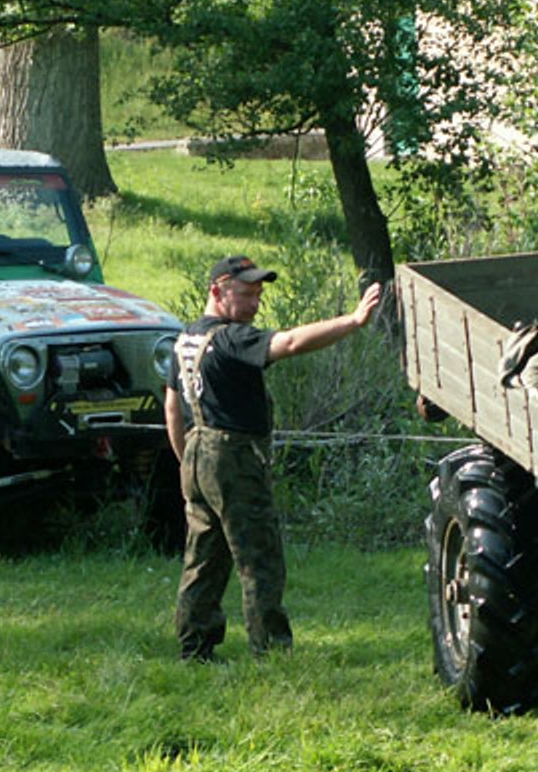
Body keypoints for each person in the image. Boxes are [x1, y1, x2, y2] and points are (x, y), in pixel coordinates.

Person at [164, 255, 382, 662]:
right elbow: (292, 342)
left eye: (259, 294)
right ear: (217, 290)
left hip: (196, 451)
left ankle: (194, 648)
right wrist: (352, 322)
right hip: (233, 455)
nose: (254, 304)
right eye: (246, 294)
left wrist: (185, 464)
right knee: (259, 559)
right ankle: (272, 652)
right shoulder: (232, 339)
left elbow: (173, 407)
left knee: (203, 558)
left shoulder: (184, 340)